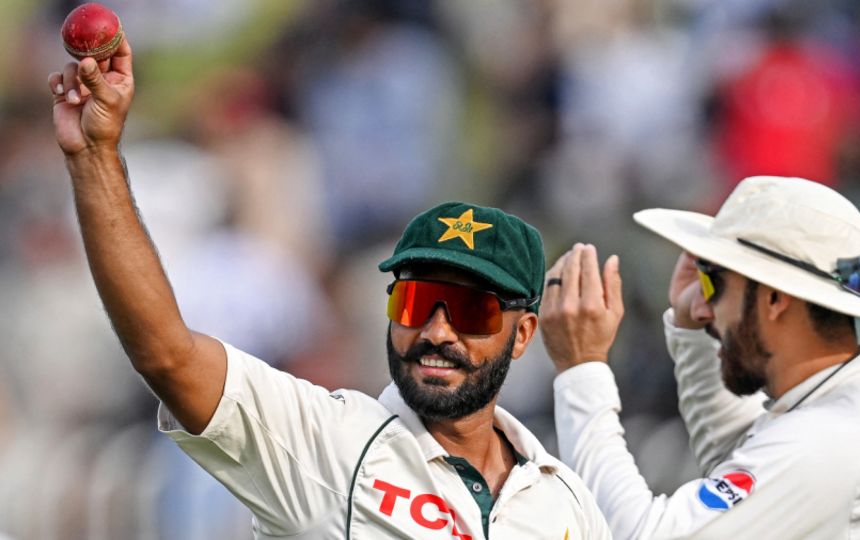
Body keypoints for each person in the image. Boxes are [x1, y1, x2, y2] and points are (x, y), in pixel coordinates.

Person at [48, 39, 611, 539]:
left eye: (470, 310)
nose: (436, 331)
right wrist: (95, 155)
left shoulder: (563, 501)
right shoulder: (325, 442)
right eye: (414, 302)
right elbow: (167, 355)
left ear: (523, 334)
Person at [541, 176, 860, 539]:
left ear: (773, 299)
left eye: (713, 282)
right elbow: (741, 459)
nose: (702, 308)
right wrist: (690, 331)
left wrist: (582, 367)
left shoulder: (829, 439)